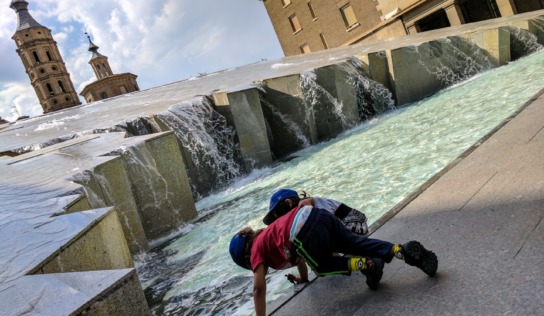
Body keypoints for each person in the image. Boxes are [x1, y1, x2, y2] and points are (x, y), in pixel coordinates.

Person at [230, 204, 438, 316]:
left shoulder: (256, 249)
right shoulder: (269, 237)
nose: (255, 268)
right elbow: (300, 259)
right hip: (316, 214)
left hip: (303, 231)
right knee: (354, 244)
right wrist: (303, 279)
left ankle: (367, 264)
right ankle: (401, 251)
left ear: (247, 258)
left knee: (321, 267)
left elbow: (258, 289)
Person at [263, 188, 369, 236]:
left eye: (280, 215)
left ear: (288, 203)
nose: (282, 219)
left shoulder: (304, 204)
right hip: (348, 226)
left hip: (356, 223)